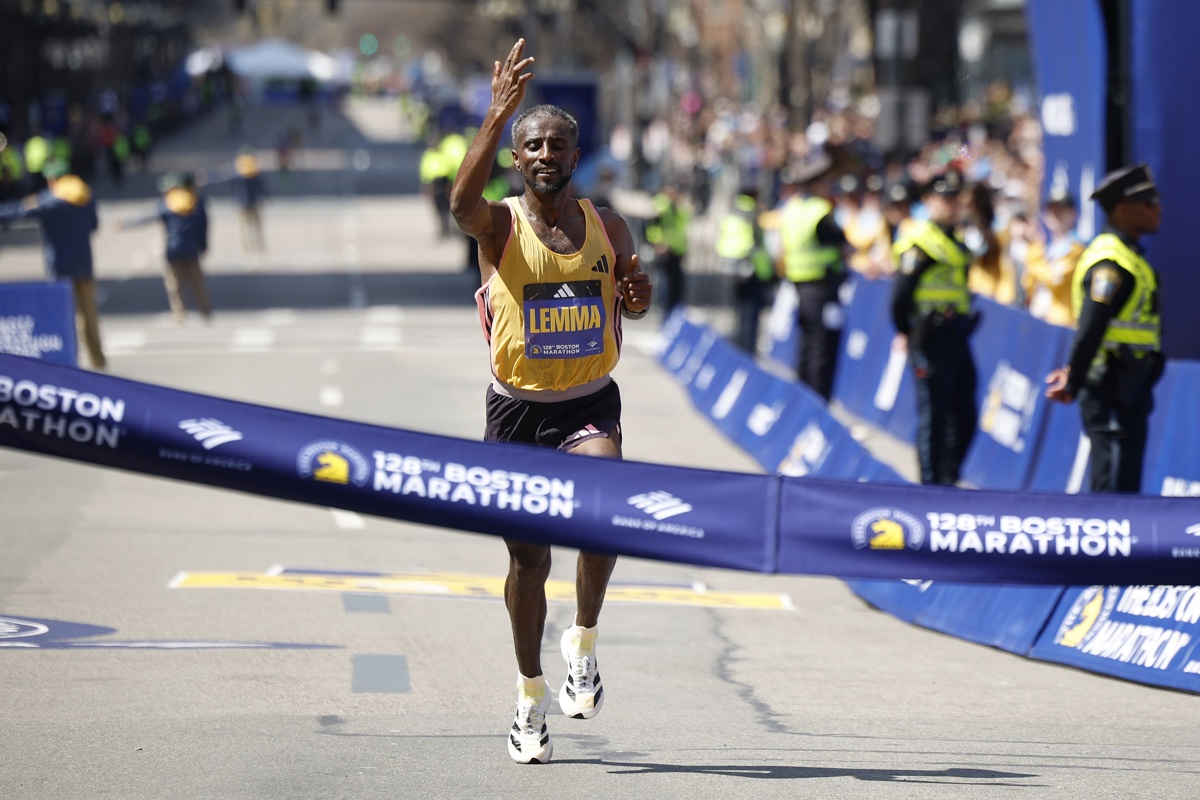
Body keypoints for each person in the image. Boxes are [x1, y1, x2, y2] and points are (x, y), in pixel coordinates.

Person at [448, 39, 652, 765]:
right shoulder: (499, 226)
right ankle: (530, 695)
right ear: (516, 158)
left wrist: (638, 291)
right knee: (528, 563)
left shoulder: (606, 224)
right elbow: (457, 203)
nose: (543, 153)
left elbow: (636, 288)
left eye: (556, 144)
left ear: (574, 155)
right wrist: (497, 111)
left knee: (604, 515)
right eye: (530, 144)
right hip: (516, 413)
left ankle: (584, 641)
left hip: (589, 401)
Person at [1045, 164, 1165, 493]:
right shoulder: (1111, 262)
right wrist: (1075, 377)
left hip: (1129, 386)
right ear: (1124, 209)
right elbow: (1092, 327)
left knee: (1124, 487)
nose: (1159, 209)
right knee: (1113, 494)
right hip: (1111, 387)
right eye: (1149, 203)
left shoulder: (1130, 256)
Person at [890, 169, 978, 485]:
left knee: (966, 414)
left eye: (955, 198)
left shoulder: (956, 239)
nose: (952, 204)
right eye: (944, 198)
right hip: (929, 337)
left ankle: (949, 476)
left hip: (957, 336)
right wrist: (906, 332)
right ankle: (930, 484)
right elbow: (900, 295)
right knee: (934, 415)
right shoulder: (920, 241)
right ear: (927, 201)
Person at [0, 159, 106, 369]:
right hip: (84, 264)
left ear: (52, 179)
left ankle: (69, 363)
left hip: (59, 268)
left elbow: (18, 212)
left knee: (64, 317)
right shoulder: (86, 195)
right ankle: (98, 360)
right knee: (89, 315)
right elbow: (94, 225)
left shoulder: (49, 200)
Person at [778, 155, 849, 400]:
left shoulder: (791, 208)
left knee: (807, 343)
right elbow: (842, 245)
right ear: (817, 184)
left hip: (799, 283)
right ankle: (817, 401)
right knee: (822, 345)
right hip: (821, 285)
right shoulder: (819, 211)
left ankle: (802, 396)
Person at [116, 171, 213, 326]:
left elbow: (148, 218)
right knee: (197, 282)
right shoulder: (196, 202)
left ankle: (179, 314)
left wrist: (126, 224)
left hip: (172, 249)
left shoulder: (168, 202)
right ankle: (206, 311)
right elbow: (202, 226)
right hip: (192, 249)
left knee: (174, 285)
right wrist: (203, 246)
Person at [715, 185, 775, 353]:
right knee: (751, 313)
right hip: (750, 269)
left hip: (731, 267)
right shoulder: (754, 214)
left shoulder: (732, 211)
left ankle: (739, 347)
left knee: (740, 311)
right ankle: (747, 350)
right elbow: (757, 244)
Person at [1023, 186, 1085, 327]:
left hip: (1062, 324)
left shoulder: (1076, 247)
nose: (1056, 215)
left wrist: (1034, 254)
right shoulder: (1047, 248)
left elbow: (1054, 279)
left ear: (1073, 213)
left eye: (1062, 210)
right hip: (1039, 319)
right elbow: (1029, 285)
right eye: (1052, 210)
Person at [645, 179, 690, 318]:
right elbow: (653, 225)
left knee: (676, 288)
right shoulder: (661, 204)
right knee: (666, 286)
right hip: (666, 251)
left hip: (677, 250)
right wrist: (657, 243)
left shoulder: (677, 206)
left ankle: (674, 317)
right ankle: (666, 317)